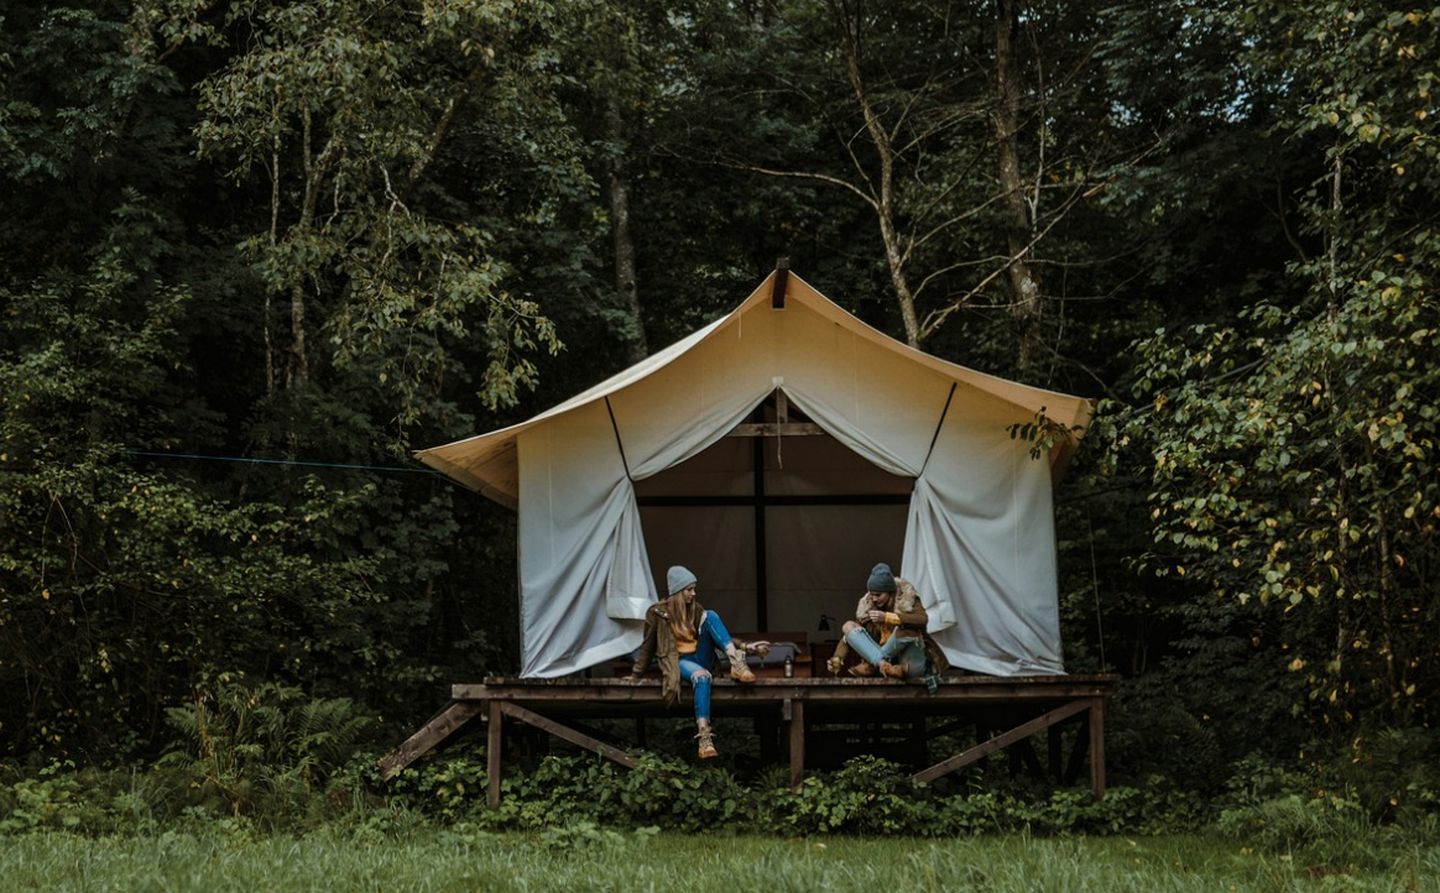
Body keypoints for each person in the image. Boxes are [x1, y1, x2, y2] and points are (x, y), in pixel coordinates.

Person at [629, 566, 769, 759]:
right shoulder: (657, 613)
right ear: (678, 591)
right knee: (703, 678)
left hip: (700, 656)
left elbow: (717, 635)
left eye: (694, 589)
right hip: (679, 661)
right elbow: (648, 647)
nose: (694, 593)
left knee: (711, 615)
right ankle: (704, 736)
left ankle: (737, 663)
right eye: (689, 589)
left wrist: (747, 646)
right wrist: (636, 674)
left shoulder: (696, 610)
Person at [826, 562, 949, 683]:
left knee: (906, 629)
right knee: (848, 626)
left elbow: (922, 620)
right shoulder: (868, 606)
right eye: (872, 595)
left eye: (878, 595)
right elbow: (850, 637)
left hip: (911, 664)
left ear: (890, 592)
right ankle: (882, 663)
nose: (874, 599)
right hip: (888, 665)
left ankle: (874, 664)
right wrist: (837, 657)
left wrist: (888, 617)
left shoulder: (907, 599)